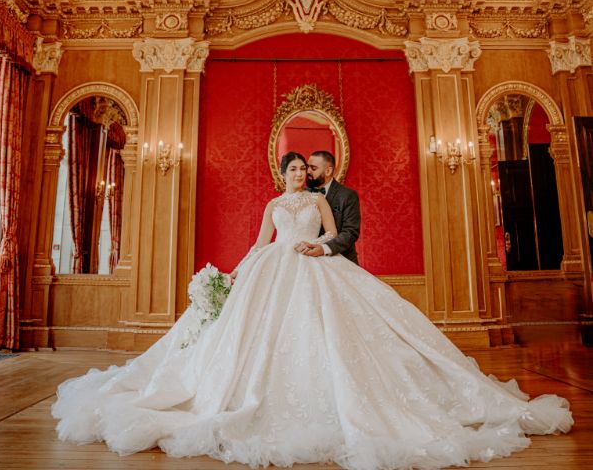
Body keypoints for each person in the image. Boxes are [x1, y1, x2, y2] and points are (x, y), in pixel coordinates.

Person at [52, 151, 573, 470]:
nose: (301, 174)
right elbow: (259, 243)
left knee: (339, 334)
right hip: (273, 268)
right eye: (295, 168)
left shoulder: (320, 199)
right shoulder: (272, 204)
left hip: (315, 266)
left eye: (306, 169)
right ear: (283, 173)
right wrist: (233, 273)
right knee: (256, 341)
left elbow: (332, 232)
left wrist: (319, 246)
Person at [296, 150, 360, 264]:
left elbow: (350, 232)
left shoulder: (347, 195)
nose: (308, 171)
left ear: (328, 171)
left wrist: (324, 249)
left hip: (342, 260)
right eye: (307, 167)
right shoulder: (301, 194)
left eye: (313, 168)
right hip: (307, 261)